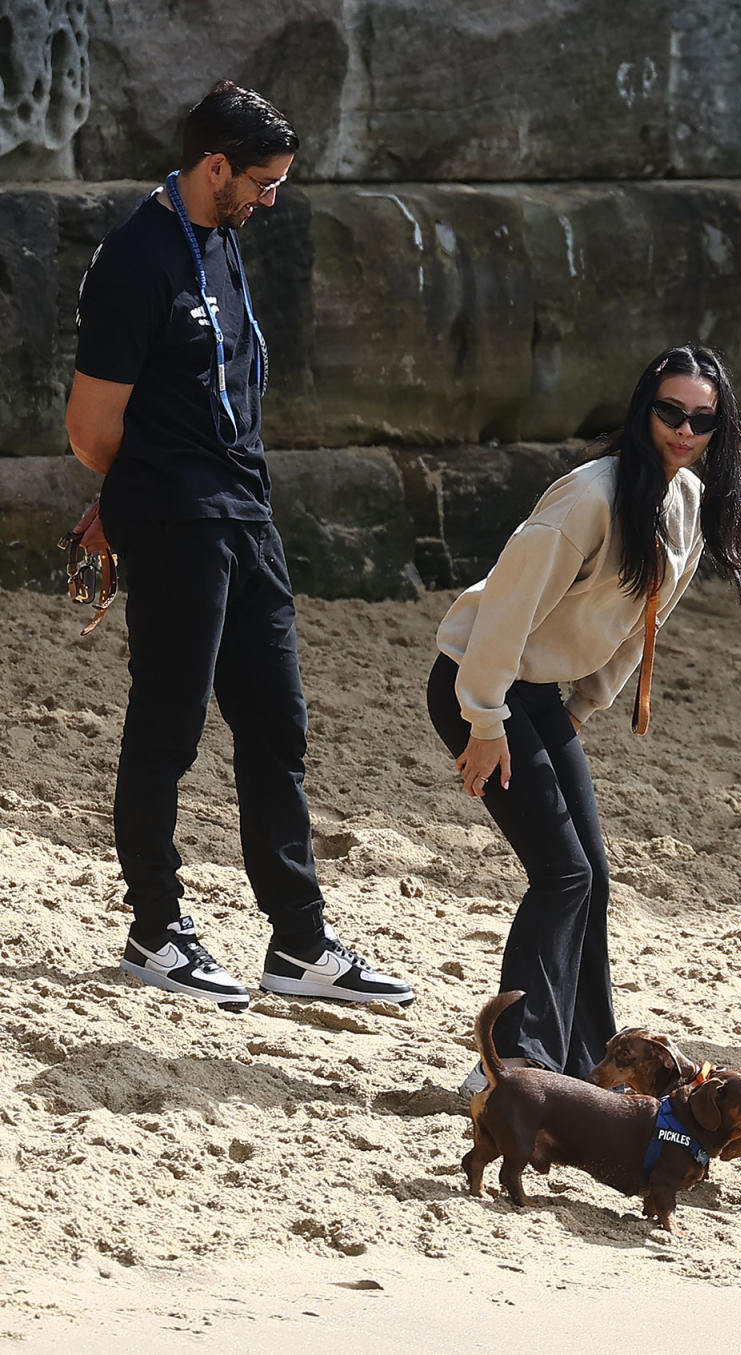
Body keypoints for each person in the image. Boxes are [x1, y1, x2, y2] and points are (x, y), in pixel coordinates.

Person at [65, 80, 413, 1012]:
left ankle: (298, 944)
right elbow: (90, 429)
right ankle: (155, 930)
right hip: (180, 520)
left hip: (248, 514)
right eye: (262, 181)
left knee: (277, 727)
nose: (271, 199)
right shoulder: (135, 257)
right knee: (168, 728)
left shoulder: (224, 235)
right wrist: (145, 493)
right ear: (213, 166)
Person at [426, 344, 741, 1094]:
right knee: (562, 872)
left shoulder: (690, 505)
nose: (684, 429)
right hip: (480, 681)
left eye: (701, 419)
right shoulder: (587, 496)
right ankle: (510, 1068)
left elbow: (646, 620)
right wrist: (483, 721)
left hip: (539, 696)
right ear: (645, 408)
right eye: (671, 411)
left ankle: (585, 1065)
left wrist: (579, 708)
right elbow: (504, 613)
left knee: (595, 878)